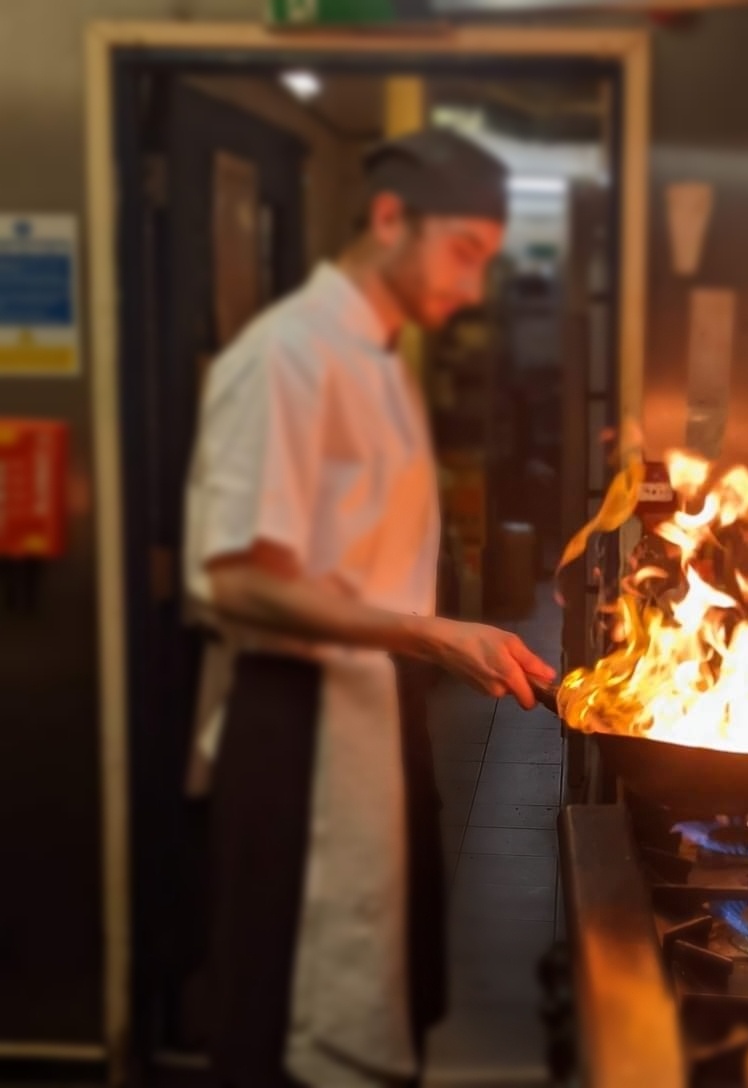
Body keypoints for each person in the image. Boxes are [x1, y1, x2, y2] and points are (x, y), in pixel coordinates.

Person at [182, 128, 556, 1088]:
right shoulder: (283, 360)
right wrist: (425, 633)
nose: (474, 288)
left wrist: (418, 646)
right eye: (466, 251)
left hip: (381, 719)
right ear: (391, 220)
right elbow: (236, 578)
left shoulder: (378, 361)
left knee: (385, 1002)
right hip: (298, 730)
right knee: (288, 1019)